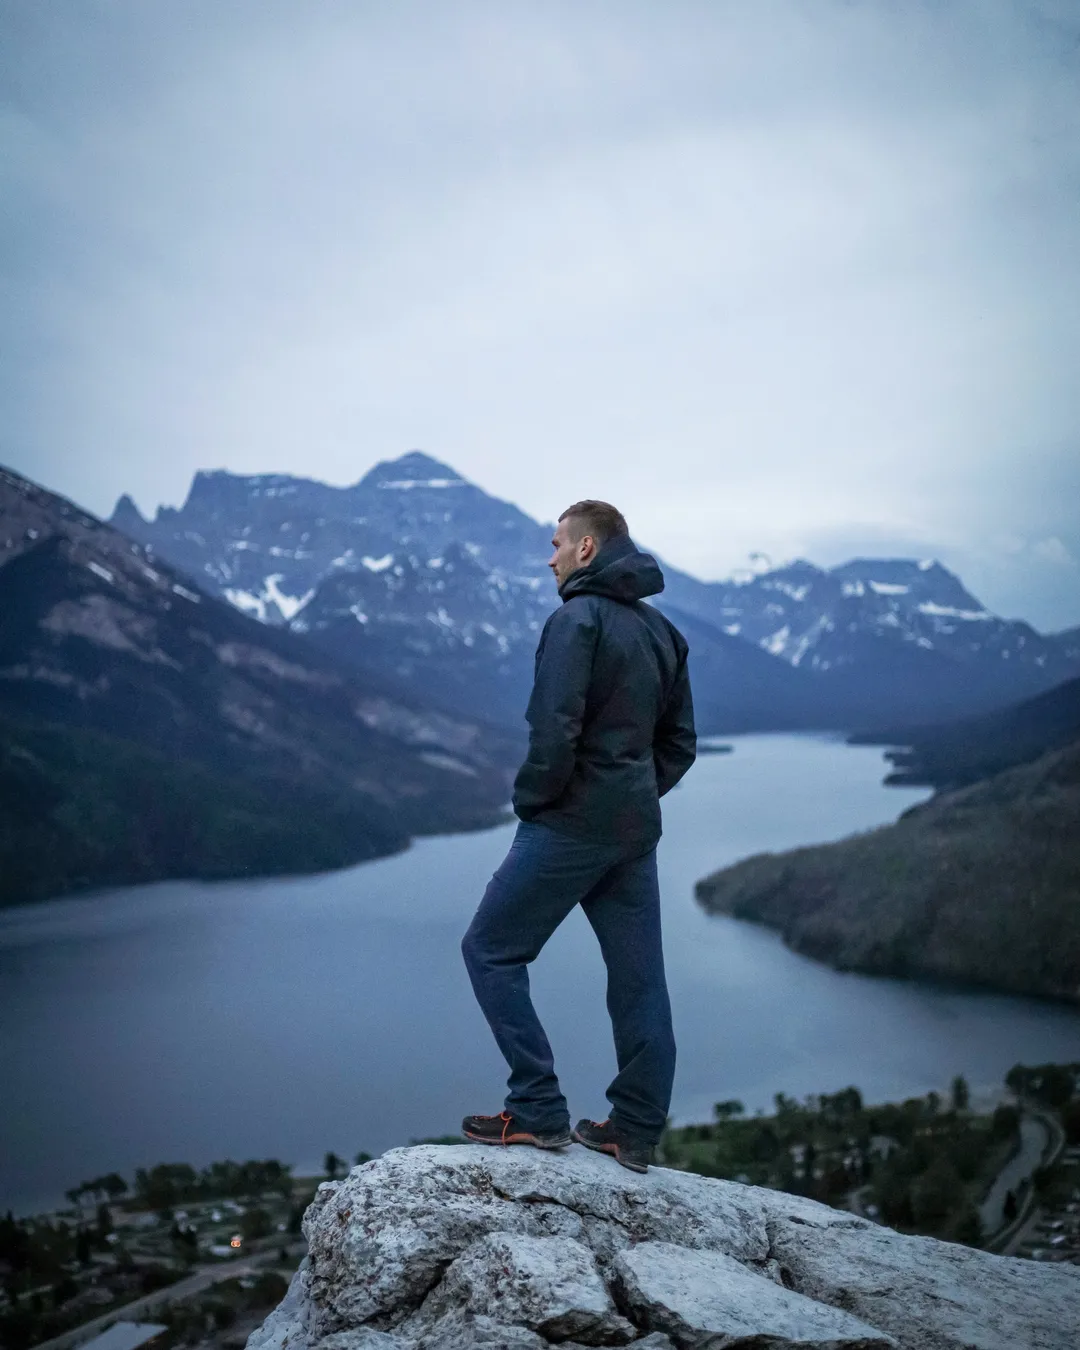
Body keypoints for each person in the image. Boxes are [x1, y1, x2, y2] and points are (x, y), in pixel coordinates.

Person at [460, 499, 696, 1172]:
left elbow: (554, 730)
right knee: (639, 981)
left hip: (569, 825)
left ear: (587, 550)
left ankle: (536, 1108)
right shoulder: (664, 633)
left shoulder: (575, 621)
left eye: (558, 542)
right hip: (633, 831)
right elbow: (679, 744)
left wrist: (537, 801)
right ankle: (636, 1127)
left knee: (490, 950)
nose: (550, 555)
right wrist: (633, 796)